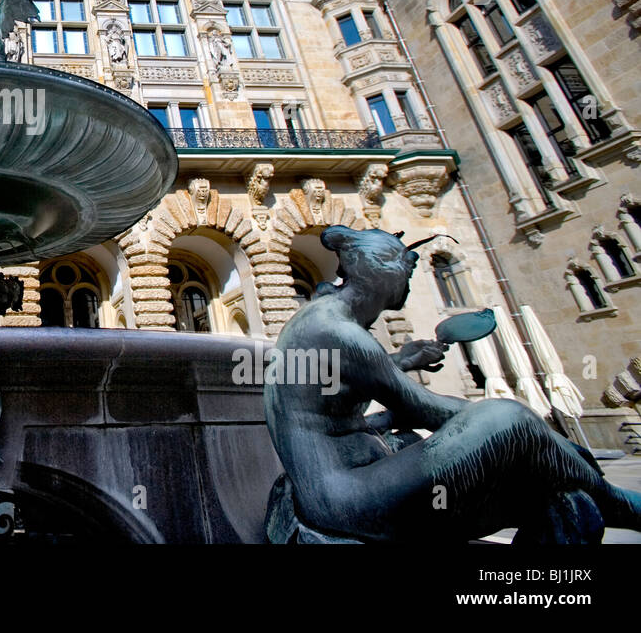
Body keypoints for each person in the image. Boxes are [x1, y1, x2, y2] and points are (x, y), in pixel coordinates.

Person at [265, 226, 641, 542]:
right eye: (406, 268)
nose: (410, 276)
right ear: (385, 273)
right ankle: (618, 502)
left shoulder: (325, 321)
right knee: (506, 418)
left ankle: (595, 500)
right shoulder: (339, 331)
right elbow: (428, 410)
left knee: (559, 498)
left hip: (345, 484)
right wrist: (547, 440)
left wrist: (400, 361)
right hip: (345, 499)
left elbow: (330, 402)